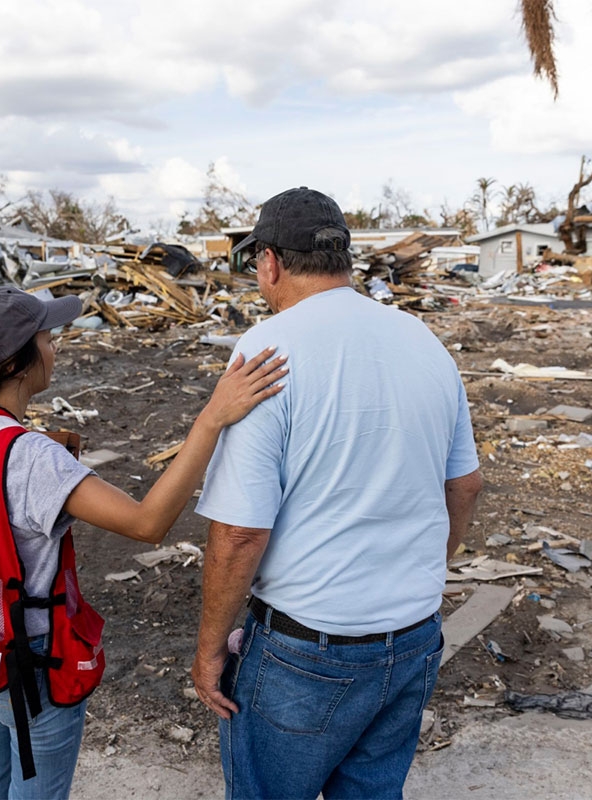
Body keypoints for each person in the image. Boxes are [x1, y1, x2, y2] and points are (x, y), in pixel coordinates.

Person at [0, 285, 287, 800]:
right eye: (49, 338)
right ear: (18, 363)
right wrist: (212, 417)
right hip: (32, 665)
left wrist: (45, 455)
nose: (55, 348)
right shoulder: (32, 457)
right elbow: (148, 522)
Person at [191, 187, 483, 800]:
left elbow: (241, 531)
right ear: (343, 258)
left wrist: (210, 649)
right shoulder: (424, 342)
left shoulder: (265, 352)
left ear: (269, 262)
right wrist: (420, 573)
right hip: (413, 635)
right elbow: (465, 485)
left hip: (309, 647)